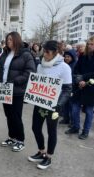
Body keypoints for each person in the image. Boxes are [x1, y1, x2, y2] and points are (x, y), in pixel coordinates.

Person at [27, 40, 72, 170]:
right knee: (35, 127)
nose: (44, 54)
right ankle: (41, 151)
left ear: (55, 52)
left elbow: (67, 89)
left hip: (53, 106)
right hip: (40, 103)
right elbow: (36, 84)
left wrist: (59, 104)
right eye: (44, 51)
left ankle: (49, 156)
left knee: (51, 131)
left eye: (47, 52)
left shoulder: (64, 67)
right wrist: (30, 94)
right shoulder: (40, 65)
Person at [0, 31, 36, 152]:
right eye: (7, 39)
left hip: (17, 90)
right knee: (8, 115)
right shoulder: (6, 53)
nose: (7, 41)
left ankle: (20, 140)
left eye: (10, 39)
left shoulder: (26, 54)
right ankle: (12, 137)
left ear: (16, 40)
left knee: (16, 116)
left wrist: (15, 81)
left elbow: (30, 72)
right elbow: (3, 69)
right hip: (4, 89)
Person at [65, 36, 94, 140]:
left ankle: (85, 131)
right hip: (80, 86)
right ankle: (76, 127)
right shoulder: (83, 56)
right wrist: (79, 80)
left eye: (91, 44)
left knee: (89, 111)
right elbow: (76, 69)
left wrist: (84, 78)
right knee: (75, 109)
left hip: (92, 88)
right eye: (88, 44)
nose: (89, 46)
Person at [59, 49, 78, 125]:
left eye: (68, 57)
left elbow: (75, 77)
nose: (66, 58)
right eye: (65, 56)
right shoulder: (63, 65)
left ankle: (72, 121)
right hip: (63, 88)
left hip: (72, 88)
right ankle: (66, 118)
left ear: (72, 57)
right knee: (65, 105)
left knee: (71, 106)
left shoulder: (75, 65)